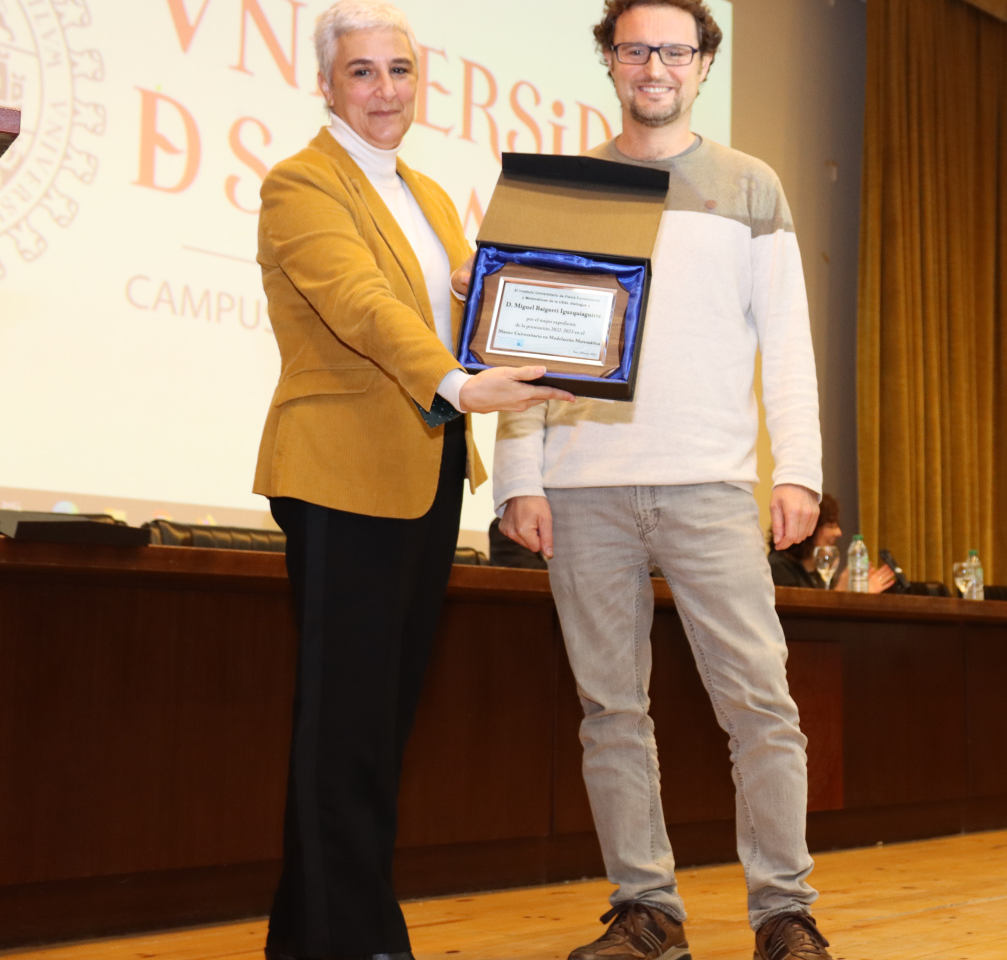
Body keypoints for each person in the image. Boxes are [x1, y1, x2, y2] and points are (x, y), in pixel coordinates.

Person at [483, 2, 835, 958]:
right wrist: (521, 476)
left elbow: (787, 342)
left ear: (703, 63)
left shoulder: (751, 186)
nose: (655, 66)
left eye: (674, 50)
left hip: (712, 486)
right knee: (611, 712)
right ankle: (648, 914)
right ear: (609, 58)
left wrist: (797, 467)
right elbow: (521, 348)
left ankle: (784, 914)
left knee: (761, 704)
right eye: (635, 47)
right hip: (583, 487)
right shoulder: (565, 189)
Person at [253, 3, 572, 958]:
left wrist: (579, 311)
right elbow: (359, 304)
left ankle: (308, 938)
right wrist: (459, 381)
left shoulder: (430, 196)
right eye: (363, 72)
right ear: (326, 82)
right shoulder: (300, 183)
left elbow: (486, 296)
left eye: (399, 71)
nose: (385, 90)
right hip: (339, 476)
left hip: (426, 475)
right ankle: (360, 937)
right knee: (343, 725)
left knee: (378, 725)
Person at [768, 493, 896, 593]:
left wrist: (860, 594)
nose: (838, 533)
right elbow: (800, 621)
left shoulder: (819, 573)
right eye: (830, 526)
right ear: (807, 529)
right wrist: (840, 590)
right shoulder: (778, 568)